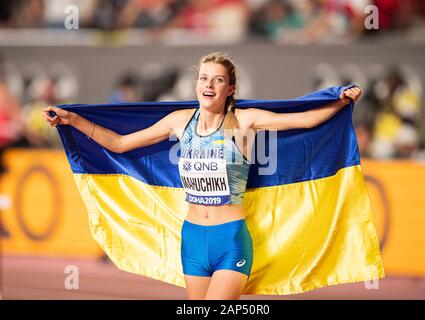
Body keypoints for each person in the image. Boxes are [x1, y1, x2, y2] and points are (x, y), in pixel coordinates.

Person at [42, 52, 361, 300]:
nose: (209, 85)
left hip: (230, 241)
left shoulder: (244, 121)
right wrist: (73, 120)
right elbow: (120, 144)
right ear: (196, 85)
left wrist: (339, 98)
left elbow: (305, 121)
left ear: (231, 88)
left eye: (218, 80)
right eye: (204, 78)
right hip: (192, 240)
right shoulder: (179, 122)